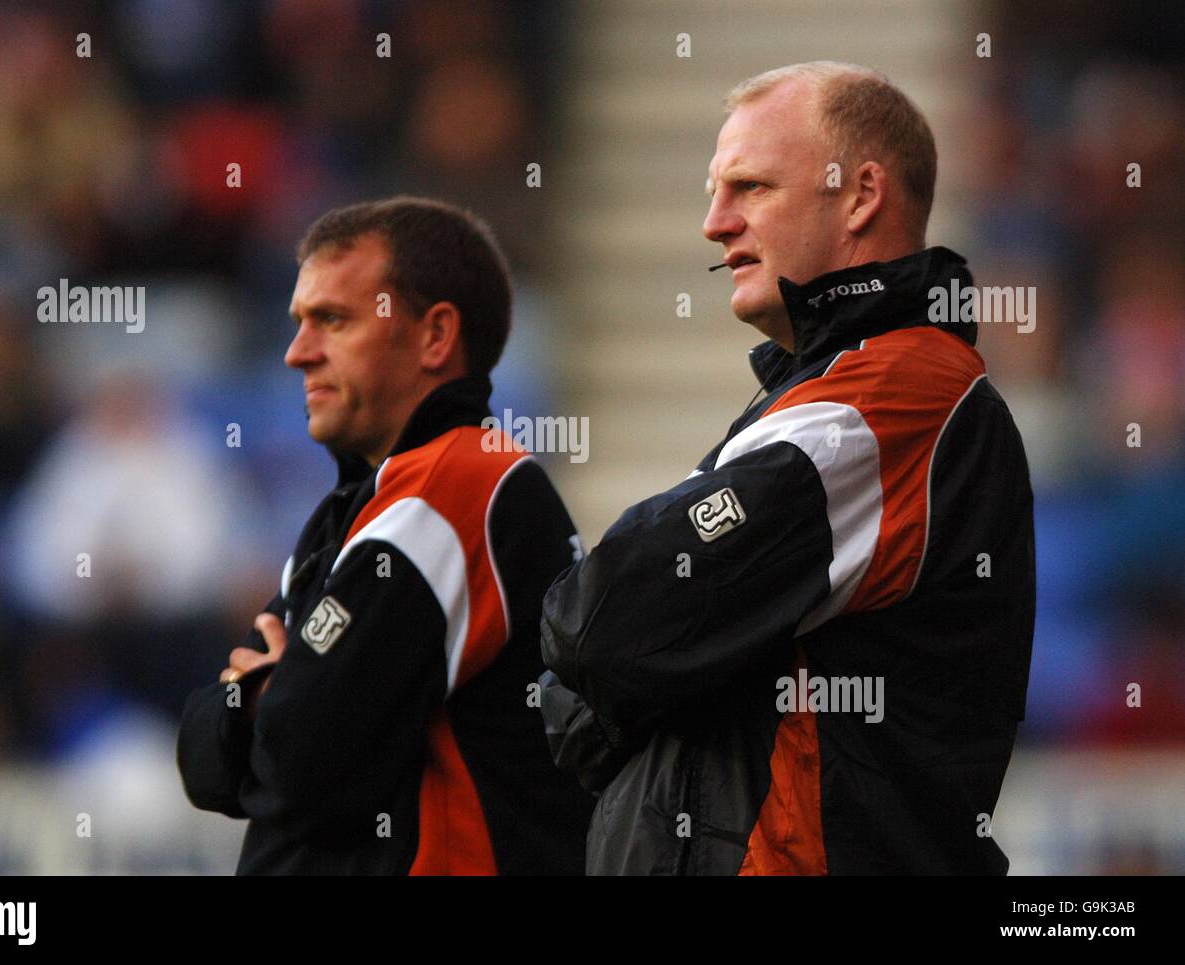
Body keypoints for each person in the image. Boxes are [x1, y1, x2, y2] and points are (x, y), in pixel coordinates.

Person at [539, 62, 1035, 874]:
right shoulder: (831, 389)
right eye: (712, 191)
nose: (713, 222)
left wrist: (645, 660)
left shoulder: (897, 392)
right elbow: (579, 709)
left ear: (862, 194)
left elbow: (605, 621)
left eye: (750, 186)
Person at [178, 196, 593, 874]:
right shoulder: (356, 508)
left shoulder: (458, 485)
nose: (295, 353)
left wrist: (266, 699)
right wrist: (261, 701)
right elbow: (203, 759)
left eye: (332, 321)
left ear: (435, 336)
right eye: (298, 322)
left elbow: (302, 758)